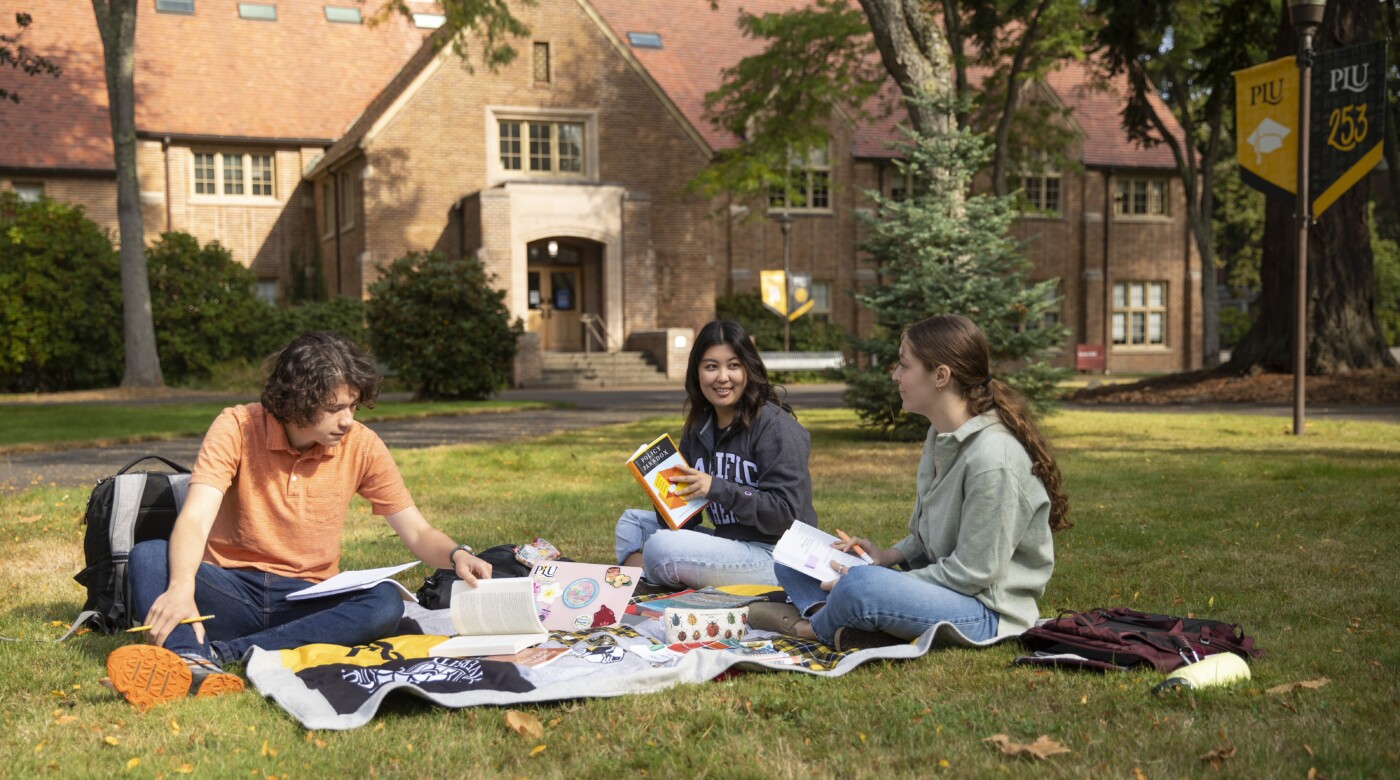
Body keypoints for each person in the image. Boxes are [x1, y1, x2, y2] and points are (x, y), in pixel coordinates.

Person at [105, 332, 493, 708]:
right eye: (334, 408)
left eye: (353, 406)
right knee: (151, 556)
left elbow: (418, 531)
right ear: (295, 401)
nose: (347, 420)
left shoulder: (362, 445)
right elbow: (195, 516)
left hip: (308, 597)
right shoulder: (237, 426)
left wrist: (457, 554)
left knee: (385, 601)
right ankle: (190, 656)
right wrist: (181, 588)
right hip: (229, 589)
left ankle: (216, 655)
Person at [755, 314, 1069, 651]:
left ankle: (810, 626)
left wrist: (883, 579)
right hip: (940, 587)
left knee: (861, 586)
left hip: (986, 611)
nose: (895, 375)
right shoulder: (941, 434)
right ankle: (846, 618)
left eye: (904, 365)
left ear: (941, 376)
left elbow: (976, 573)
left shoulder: (994, 460)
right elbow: (928, 535)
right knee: (789, 557)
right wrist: (887, 555)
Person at [614, 320, 818, 589]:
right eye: (711, 366)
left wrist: (716, 487)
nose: (722, 377)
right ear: (697, 373)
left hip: (779, 557)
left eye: (733, 365)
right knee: (633, 522)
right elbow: (687, 523)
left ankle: (645, 582)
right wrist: (662, 493)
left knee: (662, 547)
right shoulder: (700, 427)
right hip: (731, 544)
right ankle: (651, 579)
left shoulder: (776, 427)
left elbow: (785, 514)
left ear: (748, 369)